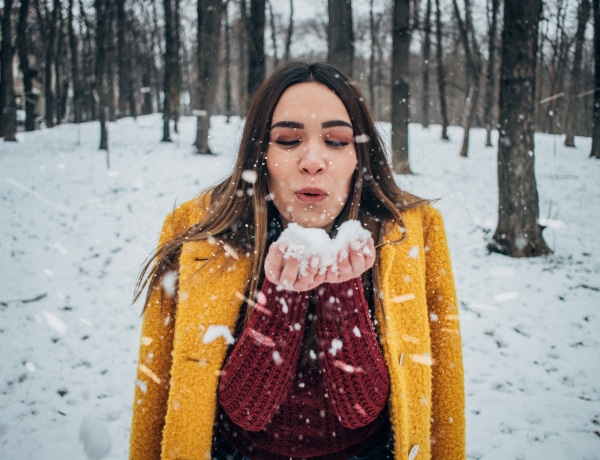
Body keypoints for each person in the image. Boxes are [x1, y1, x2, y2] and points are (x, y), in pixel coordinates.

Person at [129, 61, 465, 460]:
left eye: (337, 141)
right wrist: (280, 300)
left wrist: (342, 292)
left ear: (360, 156)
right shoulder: (199, 233)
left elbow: (398, 409)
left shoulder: (410, 233)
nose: (312, 160)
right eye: (288, 140)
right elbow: (227, 412)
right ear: (261, 155)